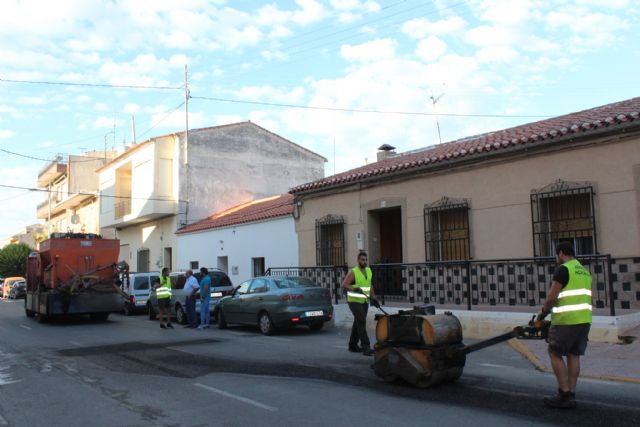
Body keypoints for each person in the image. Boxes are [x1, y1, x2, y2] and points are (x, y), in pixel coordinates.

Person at [537, 242, 592, 408]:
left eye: (556, 255)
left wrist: (543, 313)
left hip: (566, 321)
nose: (556, 258)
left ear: (560, 253)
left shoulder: (564, 269)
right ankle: (572, 393)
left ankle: (564, 393)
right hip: (584, 320)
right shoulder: (584, 271)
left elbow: (552, 297)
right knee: (574, 354)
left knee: (555, 352)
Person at [341, 251, 377, 356]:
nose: (364, 262)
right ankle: (365, 347)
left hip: (364, 300)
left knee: (358, 321)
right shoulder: (353, 272)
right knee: (361, 320)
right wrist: (354, 288)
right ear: (358, 260)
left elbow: (370, 285)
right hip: (353, 300)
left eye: (366, 260)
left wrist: (373, 297)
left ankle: (352, 345)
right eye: (362, 260)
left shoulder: (369, 271)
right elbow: (344, 285)